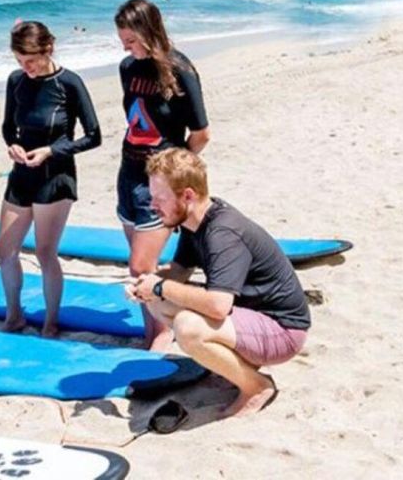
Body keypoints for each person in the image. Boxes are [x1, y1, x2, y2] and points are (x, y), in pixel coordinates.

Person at [127, 148, 309, 417]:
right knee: (159, 304)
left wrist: (159, 286)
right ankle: (231, 369)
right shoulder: (195, 219)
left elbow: (218, 306)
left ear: (187, 195)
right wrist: (149, 284)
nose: (153, 205)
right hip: (252, 317)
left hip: (283, 331)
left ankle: (257, 387)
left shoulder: (222, 233)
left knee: (188, 327)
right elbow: (179, 271)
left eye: (160, 198)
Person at [115, 0, 211, 350]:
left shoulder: (180, 69)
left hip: (161, 184)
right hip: (128, 175)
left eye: (131, 40)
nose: (126, 47)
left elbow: (201, 133)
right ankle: (152, 330)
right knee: (140, 267)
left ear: (149, 31)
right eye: (123, 41)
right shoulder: (127, 68)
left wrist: (173, 171)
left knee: (141, 265)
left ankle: (163, 333)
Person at [0, 21, 101, 337]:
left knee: (44, 252)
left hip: (55, 176)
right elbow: (6, 127)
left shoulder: (69, 83)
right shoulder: (16, 80)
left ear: (48, 49)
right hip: (21, 174)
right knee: (4, 251)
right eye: (19, 61)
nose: (24, 67)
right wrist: (12, 145)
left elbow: (94, 136)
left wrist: (52, 151)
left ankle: (50, 320)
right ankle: (14, 315)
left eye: (30, 60)